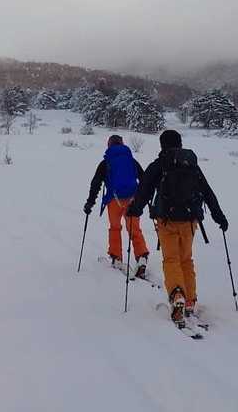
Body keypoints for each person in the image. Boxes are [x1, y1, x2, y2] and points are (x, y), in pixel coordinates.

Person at [129, 128, 227, 323]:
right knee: (186, 259)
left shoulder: (159, 164)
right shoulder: (191, 164)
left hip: (166, 220)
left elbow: (144, 191)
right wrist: (219, 217)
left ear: (162, 145)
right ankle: (190, 300)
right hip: (190, 221)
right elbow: (207, 192)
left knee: (171, 259)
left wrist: (135, 210)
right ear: (180, 143)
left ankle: (177, 295)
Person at [84, 134, 150, 277]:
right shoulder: (131, 161)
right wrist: (144, 198)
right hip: (132, 199)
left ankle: (117, 258)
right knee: (134, 228)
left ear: (109, 145)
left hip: (114, 200)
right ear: (122, 144)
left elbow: (96, 183)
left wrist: (90, 202)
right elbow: (144, 179)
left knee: (115, 228)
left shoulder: (106, 162)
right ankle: (142, 257)